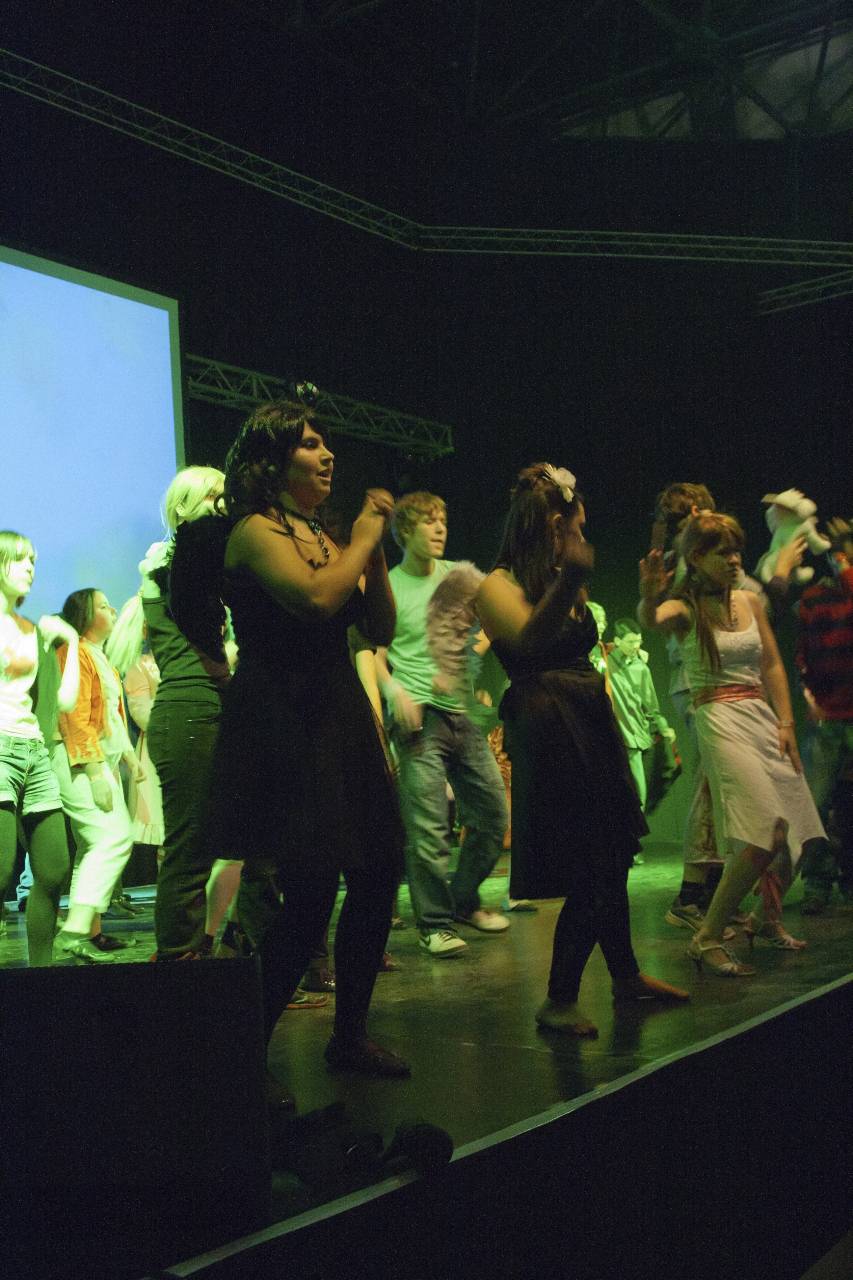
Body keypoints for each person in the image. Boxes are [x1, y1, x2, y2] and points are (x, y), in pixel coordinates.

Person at [206, 398, 408, 1088]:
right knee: (313, 890)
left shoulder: (325, 536)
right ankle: (244, 1055)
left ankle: (349, 1036)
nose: (328, 455)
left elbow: (378, 627)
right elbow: (317, 599)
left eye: (327, 445)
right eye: (311, 444)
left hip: (337, 711)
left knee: (379, 869)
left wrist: (373, 555)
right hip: (286, 718)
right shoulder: (253, 532)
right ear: (272, 459)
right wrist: (363, 536)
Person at [475, 463, 688, 1037]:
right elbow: (529, 643)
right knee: (593, 864)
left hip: (588, 716)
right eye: (577, 526)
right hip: (549, 723)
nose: (582, 536)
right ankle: (558, 999)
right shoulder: (496, 585)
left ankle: (626, 976)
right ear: (552, 525)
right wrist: (569, 578)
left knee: (612, 855)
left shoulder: (559, 579)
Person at [639, 512, 825, 974]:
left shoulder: (749, 601)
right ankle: (706, 936)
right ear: (697, 558)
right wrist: (649, 594)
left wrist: (786, 724)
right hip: (719, 716)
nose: (735, 559)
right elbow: (652, 618)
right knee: (763, 833)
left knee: (799, 828)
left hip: (761, 715)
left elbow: (773, 665)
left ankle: (766, 920)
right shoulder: (686, 609)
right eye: (723, 552)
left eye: (737, 550)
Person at [375, 492, 509, 957]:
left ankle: (462, 900)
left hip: (461, 715)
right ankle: (434, 923)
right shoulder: (389, 587)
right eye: (428, 522)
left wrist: (462, 658)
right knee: (429, 829)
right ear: (404, 531)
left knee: (492, 815)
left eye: (443, 521)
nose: (439, 529)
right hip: (419, 721)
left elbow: (494, 623)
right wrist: (394, 692)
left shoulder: (459, 578)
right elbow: (373, 653)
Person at [137, 466, 237, 960]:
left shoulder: (205, 565)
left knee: (242, 845)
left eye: (226, 495)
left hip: (209, 705)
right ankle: (179, 960)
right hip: (189, 709)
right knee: (190, 847)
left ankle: (215, 951)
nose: (223, 505)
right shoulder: (167, 564)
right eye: (212, 496)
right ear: (182, 509)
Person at [0, 531, 79, 965]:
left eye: (33, 559)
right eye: (19, 558)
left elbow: (64, 701)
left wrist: (72, 641)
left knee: (53, 868)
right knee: (0, 869)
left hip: (34, 751)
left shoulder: (33, 630)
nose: (30, 566)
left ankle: (40, 978)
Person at [53, 588, 143, 961]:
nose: (113, 609)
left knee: (94, 845)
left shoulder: (98, 656)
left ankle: (90, 934)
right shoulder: (72, 652)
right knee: (114, 838)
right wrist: (93, 773)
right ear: (85, 615)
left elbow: (110, 716)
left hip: (99, 759)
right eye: (104, 605)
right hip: (78, 760)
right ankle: (74, 930)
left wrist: (129, 759)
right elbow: (73, 716)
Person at [795, 517, 853, 913]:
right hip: (828, 717)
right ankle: (817, 883)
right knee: (814, 804)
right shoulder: (813, 597)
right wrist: (808, 695)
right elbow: (802, 653)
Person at [606, 618, 676, 812]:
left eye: (638, 641)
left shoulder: (641, 668)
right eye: (630, 641)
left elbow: (650, 705)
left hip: (635, 736)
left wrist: (663, 727)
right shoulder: (605, 661)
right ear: (618, 641)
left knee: (639, 793)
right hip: (612, 735)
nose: (636, 646)